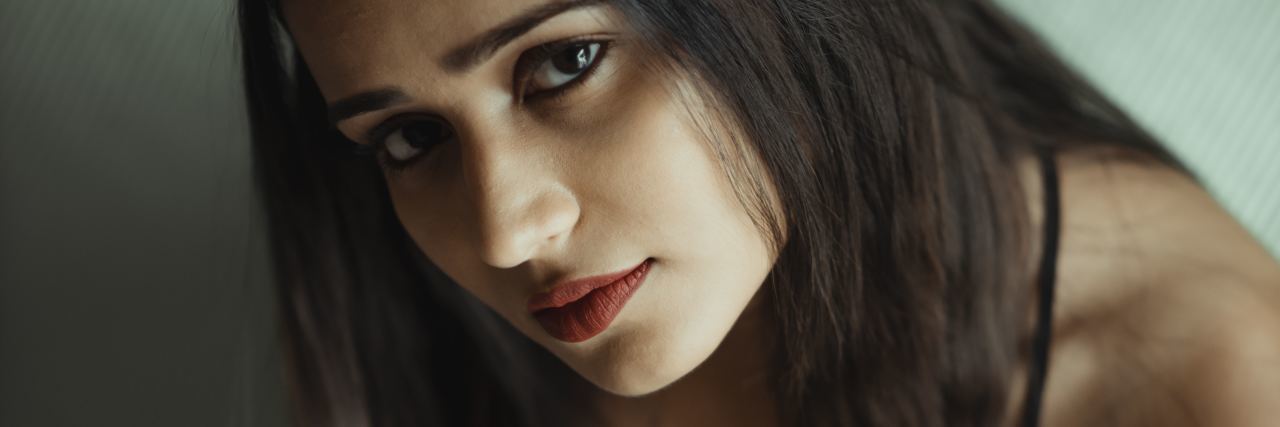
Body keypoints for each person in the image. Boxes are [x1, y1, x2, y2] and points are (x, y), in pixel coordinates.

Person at [237, 0, 1280, 425]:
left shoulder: (1217, 384)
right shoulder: (387, 305)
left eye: (562, 64)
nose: (506, 230)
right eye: (409, 139)